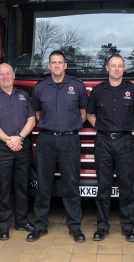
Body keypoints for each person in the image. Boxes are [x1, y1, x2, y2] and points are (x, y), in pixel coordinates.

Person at [26, 50, 88, 243]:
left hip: (69, 140)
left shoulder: (77, 86)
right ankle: (40, 225)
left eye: (60, 62)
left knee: (71, 184)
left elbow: (83, 113)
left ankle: (75, 227)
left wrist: (67, 127)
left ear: (65, 65)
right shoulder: (40, 88)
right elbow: (37, 112)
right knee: (43, 184)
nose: (57, 66)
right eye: (53, 62)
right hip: (46, 140)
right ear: (49, 65)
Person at [86, 54, 134, 242]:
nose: (117, 69)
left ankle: (127, 227)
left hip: (124, 142)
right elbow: (89, 114)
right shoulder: (97, 91)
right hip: (103, 142)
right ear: (107, 68)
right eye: (113, 66)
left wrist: (128, 128)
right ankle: (102, 227)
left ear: (124, 68)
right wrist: (102, 128)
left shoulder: (132, 90)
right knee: (103, 187)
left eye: (120, 66)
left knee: (126, 186)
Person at [0, 63, 36, 241]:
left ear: (13, 75)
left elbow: (32, 120)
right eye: (1, 74)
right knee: (3, 188)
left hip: (21, 148)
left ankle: (21, 221)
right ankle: (4, 225)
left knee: (22, 187)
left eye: (8, 74)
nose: (5, 77)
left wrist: (19, 138)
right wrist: (8, 140)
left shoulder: (23, 95)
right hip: (1, 150)